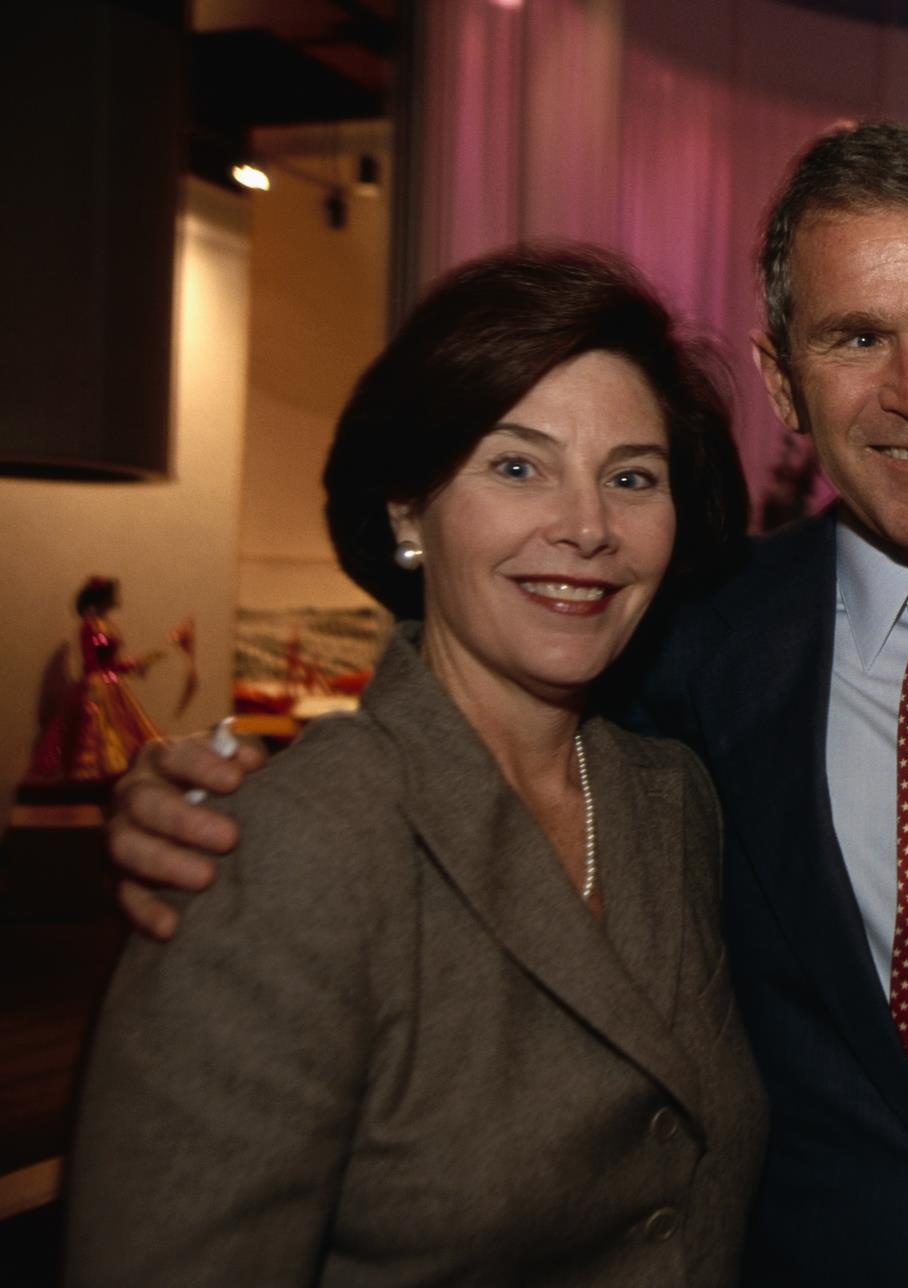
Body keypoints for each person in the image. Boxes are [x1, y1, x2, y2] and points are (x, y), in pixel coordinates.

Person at [105, 122, 908, 1287]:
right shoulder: (687, 648)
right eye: (856, 337)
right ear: (783, 379)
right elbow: (470, 699)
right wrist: (214, 806)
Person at [66, 244, 766, 1285]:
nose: (585, 526)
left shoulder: (672, 805)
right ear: (407, 511)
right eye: (516, 464)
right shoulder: (288, 846)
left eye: (631, 477)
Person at [25, 576, 168, 784]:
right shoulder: (89, 626)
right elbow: (91, 662)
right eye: (112, 596)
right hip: (97, 687)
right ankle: (91, 776)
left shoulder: (109, 625)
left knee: (125, 731)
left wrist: (132, 664)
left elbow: (112, 661)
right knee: (96, 732)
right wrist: (115, 671)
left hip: (112, 683)